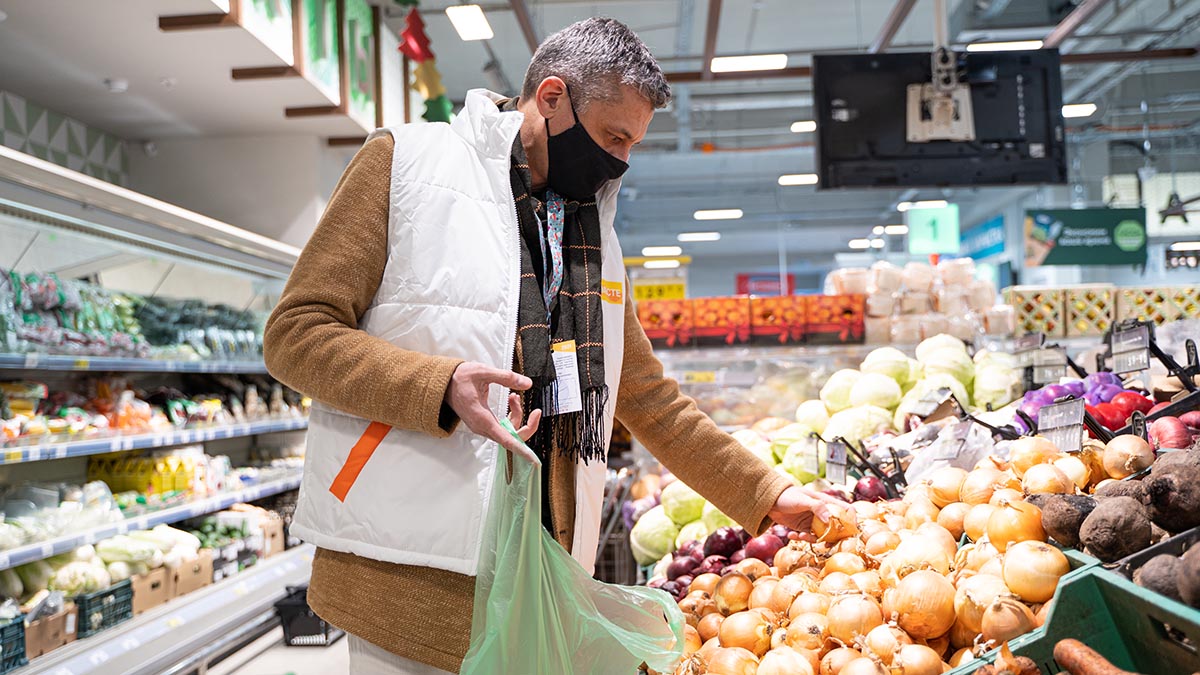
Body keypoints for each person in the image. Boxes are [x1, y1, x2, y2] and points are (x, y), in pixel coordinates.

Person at [263, 17, 838, 675]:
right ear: (552, 96)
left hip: (541, 563)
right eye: (613, 136)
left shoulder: (595, 234)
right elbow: (296, 333)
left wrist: (767, 493)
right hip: (410, 568)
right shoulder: (407, 164)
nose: (620, 160)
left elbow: (647, 396)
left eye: (634, 145)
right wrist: (438, 385)